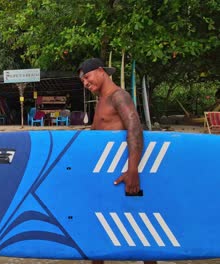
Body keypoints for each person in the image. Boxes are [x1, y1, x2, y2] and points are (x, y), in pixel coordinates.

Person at [77, 58, 156, 264]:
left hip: (125, 173)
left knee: (139, 228)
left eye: (87, 77)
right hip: (105, 173)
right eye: (82, 81)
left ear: (101, 71)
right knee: (99, 227)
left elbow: (135, 130)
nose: (85, 83)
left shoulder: (118, 96)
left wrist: (133, 170)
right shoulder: (102, 100)